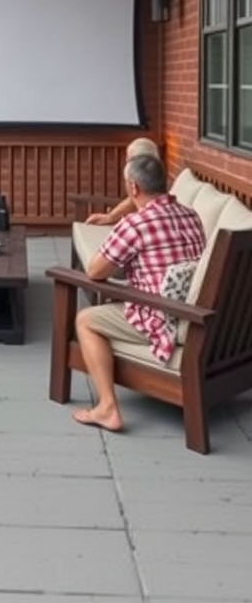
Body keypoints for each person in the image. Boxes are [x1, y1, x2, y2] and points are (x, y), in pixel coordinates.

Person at [73, 154, 205, 433]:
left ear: (133, 187)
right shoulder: (191, 214)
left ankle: (107, 407)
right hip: (198, 314)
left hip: (163, 318)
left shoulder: (136, 224)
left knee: (86, 320)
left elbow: (95, 271)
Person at [85, 137, 160, 226]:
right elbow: (132, 200)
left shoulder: (133, 226)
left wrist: (110, 217)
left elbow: (133, 201)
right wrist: (110, 217)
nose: (126, 161)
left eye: (128, 158)